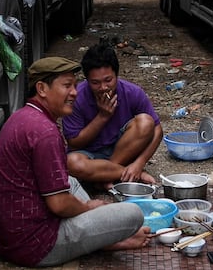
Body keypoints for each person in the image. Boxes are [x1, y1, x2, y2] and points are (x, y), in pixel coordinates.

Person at [0, 57, 151, 267]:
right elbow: (59, 204)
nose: (74, 92)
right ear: (42, 88)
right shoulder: (45, 132)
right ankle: (106, 239)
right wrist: (88, 208)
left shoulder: (22, 116)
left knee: (69, 180)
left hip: (7, 239)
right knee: (132, 214)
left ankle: (103, 237)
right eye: (66, 86)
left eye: (74, 85)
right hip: (36, 246)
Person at [63, 43, 162, 186]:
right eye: (95, 82)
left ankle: (105, 177)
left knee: (146, 122)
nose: (103, 88)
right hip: (90, 156)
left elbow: (157, 130)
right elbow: (74, 142)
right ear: (87, 79)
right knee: (71, 163)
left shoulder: (132, 92)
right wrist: (103, 116)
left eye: (108, 80)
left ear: (116, 75)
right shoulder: (76, 97)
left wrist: (139, 163)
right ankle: (124, 174)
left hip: (123, 151)